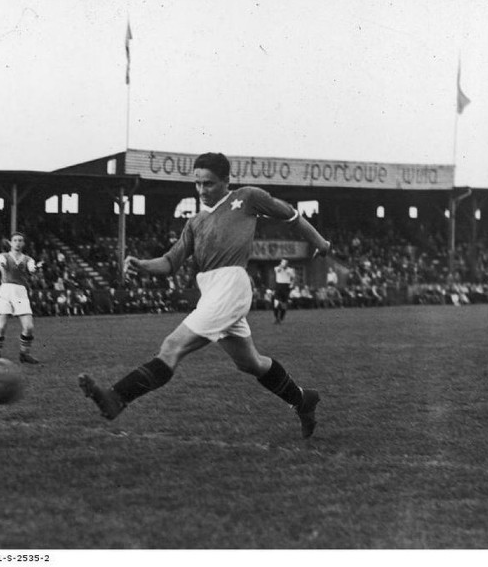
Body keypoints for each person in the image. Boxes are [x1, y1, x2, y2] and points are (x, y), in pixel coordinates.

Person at [78, 152, 331, 438]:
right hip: (211, 291)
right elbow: (170, 262)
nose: (201, 190)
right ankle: (302, 399)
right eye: (196, 184)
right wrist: (142, 264)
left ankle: (116, 397)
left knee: (172, 346)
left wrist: (320, 243)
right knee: (251, 363)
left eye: (208, 184)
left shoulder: (247, 198)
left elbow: (291, 215)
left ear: (226, 181)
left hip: (230, 285)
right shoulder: (195, 222)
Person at [0, 232, 43, 364]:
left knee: (29, 327)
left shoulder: (28, 259)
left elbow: (32, 269)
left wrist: (35, 268)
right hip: (6, 290)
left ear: (23, 243)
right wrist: (1, 266)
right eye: (15, 240)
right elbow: (0, 264)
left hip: (20, 291)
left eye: (20, 240)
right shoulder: (3, 256)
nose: (18, 243)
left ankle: (24, 354)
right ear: (10, 242)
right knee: (1, 326)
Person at [273, 258, 295, 323]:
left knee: (284, 303)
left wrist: (291, 284)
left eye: (285, 262)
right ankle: (277, 318)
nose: (284, 264)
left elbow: (293, 278)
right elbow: (279, 270)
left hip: (286, 287)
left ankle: (281, 317)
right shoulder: (277, 268)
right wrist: (281, 266)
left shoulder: (291, 270)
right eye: (283, 262)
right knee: (276, 303)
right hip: (278, 286)